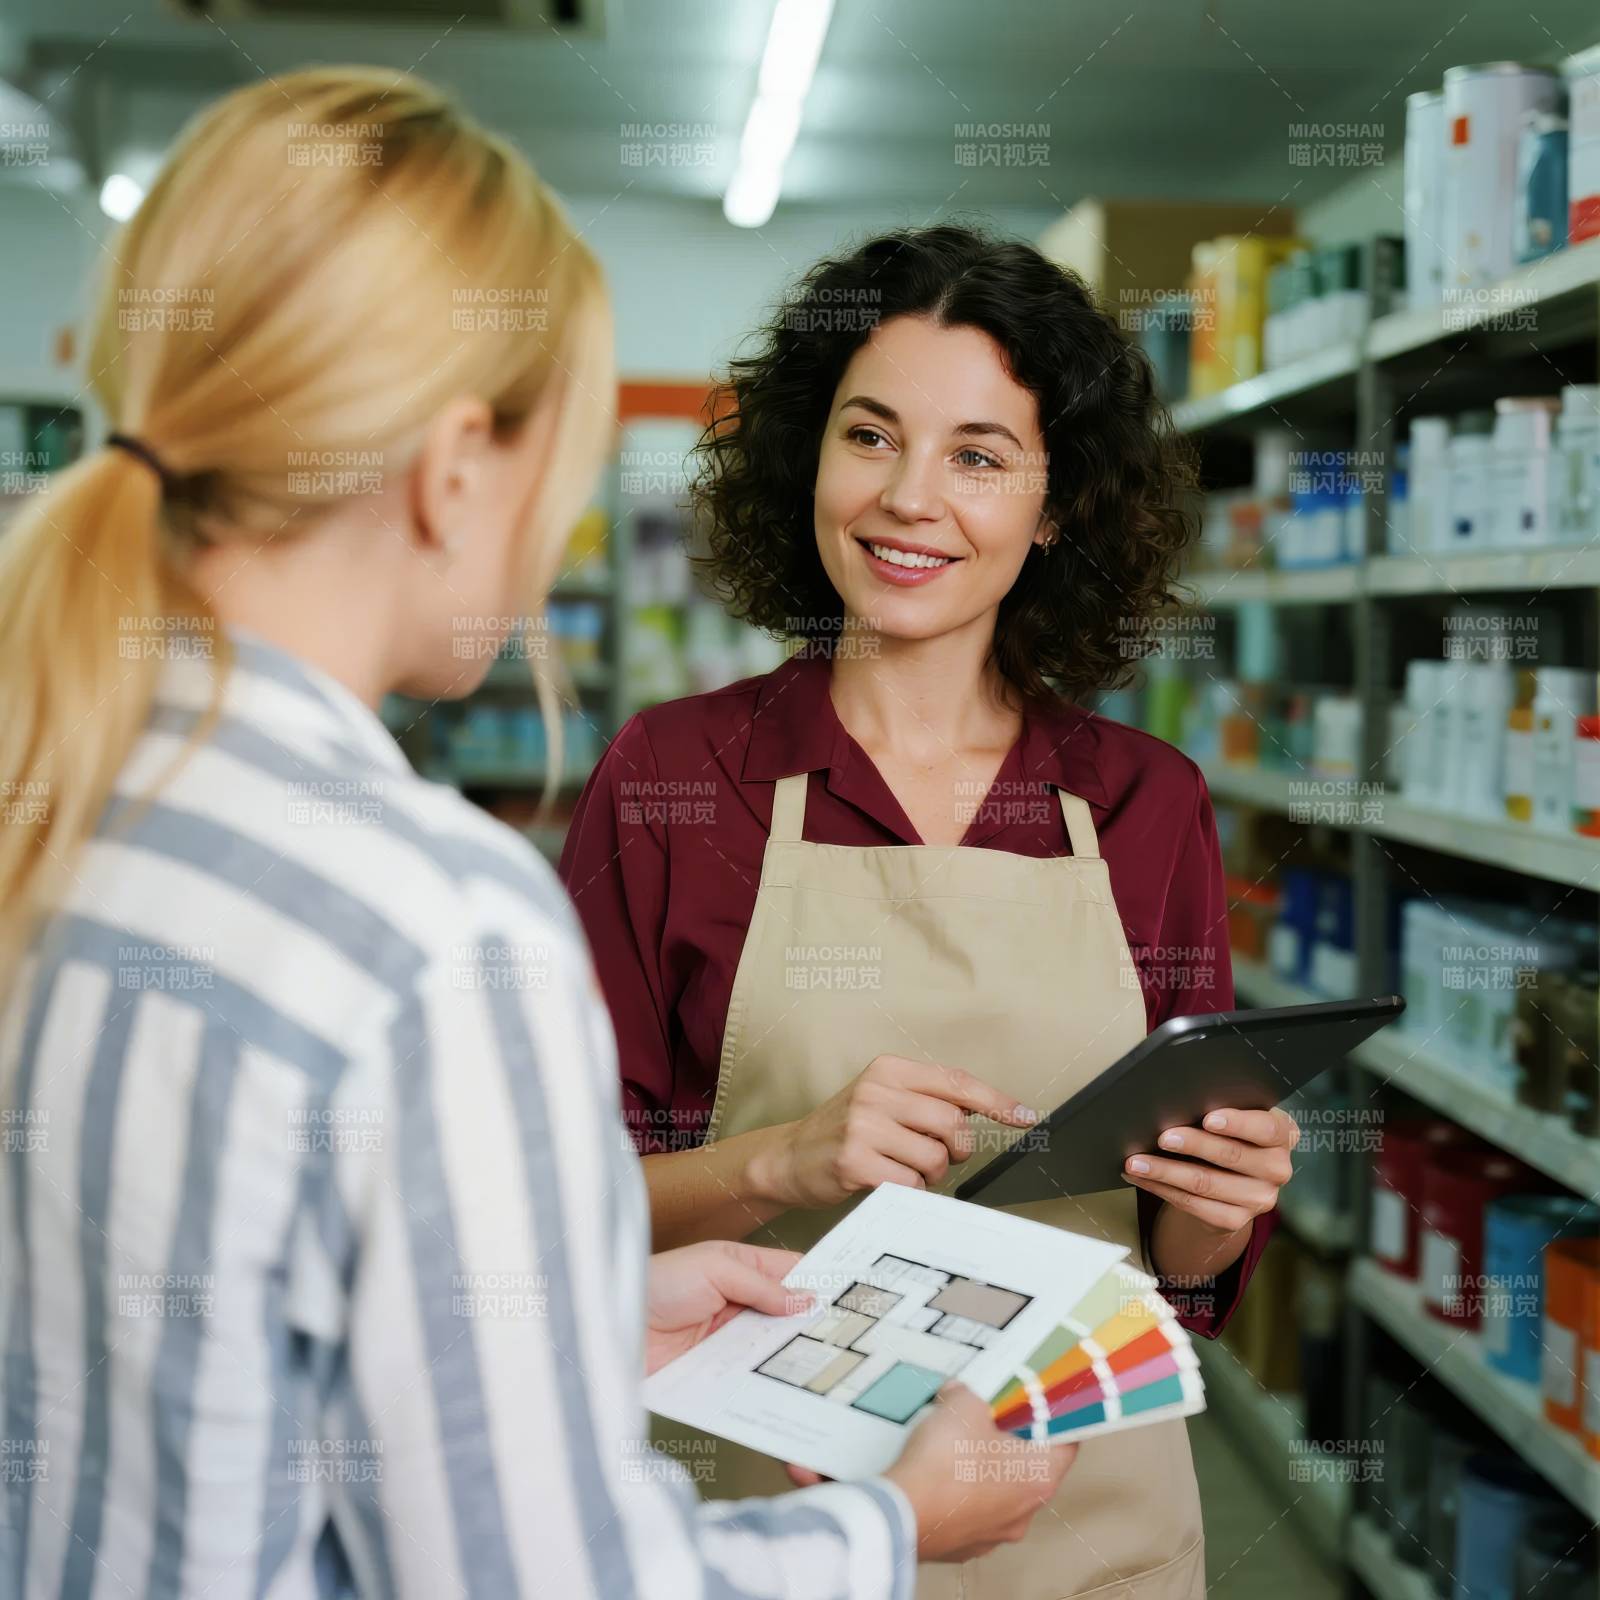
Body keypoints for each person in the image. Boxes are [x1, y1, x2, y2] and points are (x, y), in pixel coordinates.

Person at [0, 72, 1078, 1600]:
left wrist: (566, 1317)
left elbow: (204, 1364)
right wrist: (899, 1521)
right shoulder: (433, 930)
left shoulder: (59, 797)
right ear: (454, 470)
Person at [559, 224, 1300, 1599]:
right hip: (759, 1522)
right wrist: (781, 1159)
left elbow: (1181, 1280)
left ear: (1057, 502)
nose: (910, 498)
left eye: (977, 455)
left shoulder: (1146, 803)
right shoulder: (673, 779)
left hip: (1086, 1519)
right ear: (808, 459)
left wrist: (1221, 1208)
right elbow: (546, 1207)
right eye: (870, 436)